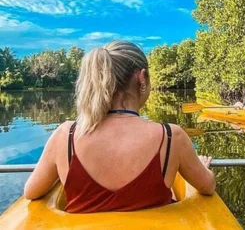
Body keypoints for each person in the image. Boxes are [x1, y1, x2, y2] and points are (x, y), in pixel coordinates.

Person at [24, 41, 215, 213]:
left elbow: (31, 191)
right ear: (142, 78)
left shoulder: (66, 134)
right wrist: (203, 168)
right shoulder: (172, 136)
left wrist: (64, 169)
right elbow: (208, 186)